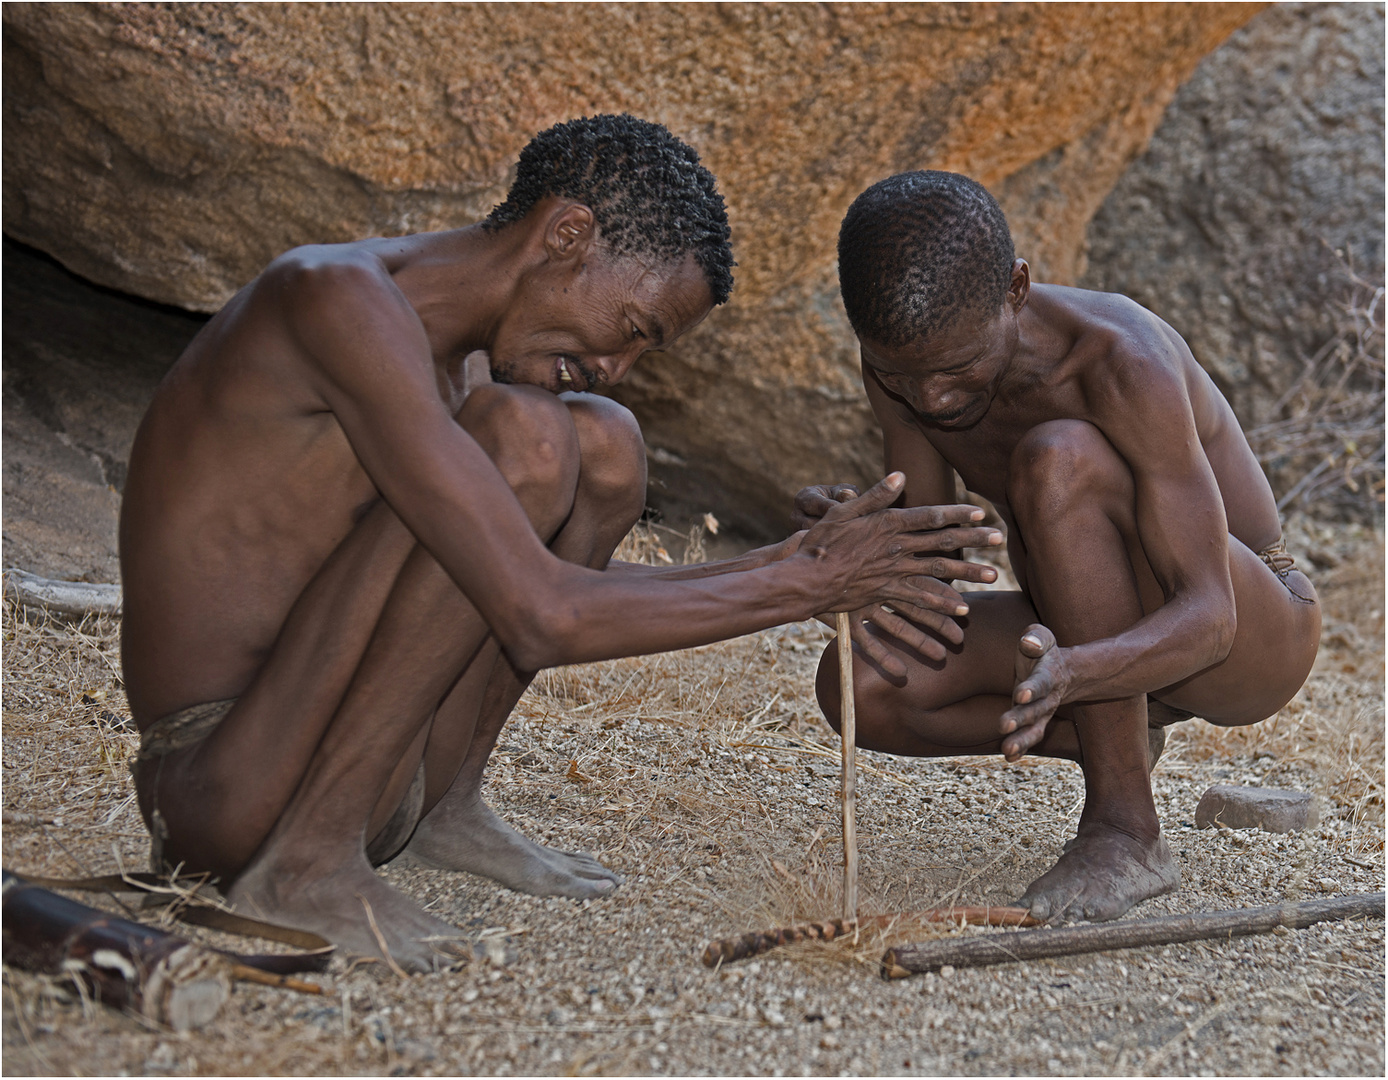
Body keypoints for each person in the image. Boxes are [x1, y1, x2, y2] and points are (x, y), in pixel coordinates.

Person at [120, 118, 1005, 971]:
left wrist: (788, 564)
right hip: (224, 790)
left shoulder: (469, 362)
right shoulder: (332, 301)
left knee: (606, 442)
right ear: (567, 234)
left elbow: (490, 581)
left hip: (374, 778)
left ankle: (446, 807)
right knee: (530, 438)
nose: (620, 366)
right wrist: (804, 588)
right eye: (633, 331)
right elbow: (538, 611)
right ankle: (307, 865)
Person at [798, 170, 1321, 924]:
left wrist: (1078, 670)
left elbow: (1211, 617)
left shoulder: (1119, 362)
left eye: (956, 369)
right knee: (866, 682)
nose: (933, 400)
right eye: (899, 376)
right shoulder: (908, 366)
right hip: (1087, 633)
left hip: (1247, 627)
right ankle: (1117, 734)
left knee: (1059, 460)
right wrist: (848, 556)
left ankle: (1124, 830)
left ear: (1016, 288)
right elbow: (934, 572)